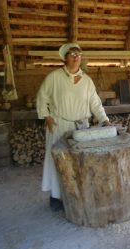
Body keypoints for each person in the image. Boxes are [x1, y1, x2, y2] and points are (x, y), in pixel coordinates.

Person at [36, 43, 110, 211]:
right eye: (72, 54)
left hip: (81, 128)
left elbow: (95, 104)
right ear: (65, 58)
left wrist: (104, 120)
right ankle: (56, 197)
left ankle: (78, 195)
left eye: (78, 54)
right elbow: (41, 97)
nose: (76, 57)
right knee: (58, 161)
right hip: (59, 125)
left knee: (79, 162)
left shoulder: (87, 81)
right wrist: (47, 117)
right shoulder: (54, 77)